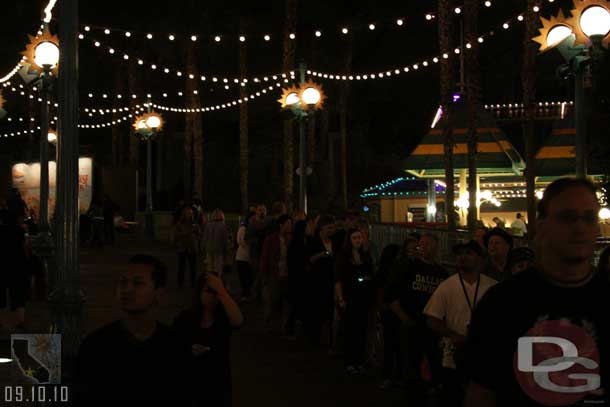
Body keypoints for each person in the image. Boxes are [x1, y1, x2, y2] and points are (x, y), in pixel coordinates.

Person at [465, 178, 610, 407]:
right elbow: (481, 392)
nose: (580, 227)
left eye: (589, 218)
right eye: (568, 217)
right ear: (541, 225)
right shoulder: (501, 303)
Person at [75, 255, 189, 406]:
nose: (127, 289)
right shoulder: (96, 345)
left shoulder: (175, 346)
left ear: (159, 294)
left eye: (138, 283)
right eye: (123, 282)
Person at [424, 240, 497, 407]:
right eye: (459, 254)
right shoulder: (446, 286)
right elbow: (431, 319)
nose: (463, 257)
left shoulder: (492, 287)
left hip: (484, 353)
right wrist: (452, 335)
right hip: (454, 354)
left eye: (469, 253)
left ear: (479, 258)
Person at [387, 234, 449, 393]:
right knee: (411, 363)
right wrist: (404, 317)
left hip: (432, 326)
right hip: (412, 323)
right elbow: (392, 294)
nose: (424, 247)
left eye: (429, 244)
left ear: (436, 247)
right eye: (422, 244)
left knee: (435, 361)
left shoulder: (441, 273)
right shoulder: (407, 267)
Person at [173, 273, 243, 407]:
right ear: (199, 292)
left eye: (215, 292)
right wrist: (189, 349)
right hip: (191, 383)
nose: (212, 296)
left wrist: (221, 291)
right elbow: (172, 345)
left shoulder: (222, 319)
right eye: (208, 291)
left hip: (217, 385)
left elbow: (238, 321)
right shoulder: (186, 318)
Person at [335, 228, 375, 375]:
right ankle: (350, 361)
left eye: (359, 238)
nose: (358, 240)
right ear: (349, 240)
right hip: (350, 296)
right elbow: (339, 279)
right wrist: (341, 298)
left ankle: (359, 360)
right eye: (355, 238)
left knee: (361, 330)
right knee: (350, 330)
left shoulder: (365, 256)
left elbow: (370, 274)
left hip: (363, 297)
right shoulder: (344, 257)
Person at [305, 215, 337, 347]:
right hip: (318, 280)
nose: (331, 230)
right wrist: (321, 255)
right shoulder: (314, 242)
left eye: (333, 228)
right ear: (321, 229)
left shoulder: (335, 241)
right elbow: (309, 260)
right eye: (329, 228)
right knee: (317, 310)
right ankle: (315, 338)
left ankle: (330, 339)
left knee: (330, 310)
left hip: (331, 279)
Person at [260, 214, 293, 334]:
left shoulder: (291, 238)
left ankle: (283, 326)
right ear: (281, 225)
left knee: (286, 302)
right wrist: (264, 277)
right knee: (273, 301)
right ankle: (268, 324)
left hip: (287, 274)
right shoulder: (271, 239)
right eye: (288, 223)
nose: (290, 226)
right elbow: (265, 257)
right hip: (274, 274)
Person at [376, 243, 402, 389]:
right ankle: (393, 375)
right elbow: (380, 291)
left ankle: (390, 375)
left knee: (391, 345)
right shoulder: (391, 271)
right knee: (393, 344)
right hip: (389, 310)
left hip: (389, 309)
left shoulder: (388, 270)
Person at [174, 206, 201, 288]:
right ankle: (180, 283)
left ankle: (193, 283)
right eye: (187, 213)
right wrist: (183, 234)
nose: (189, 215)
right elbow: (175, 235)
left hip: (192, 247)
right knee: (181, 267)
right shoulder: (179, 224)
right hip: (182, 247)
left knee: (193, 267)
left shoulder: (195, 224)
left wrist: (196, 234)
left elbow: (199, 235)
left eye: (190, 213)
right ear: (184, 214)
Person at [202, 209, 229, 277]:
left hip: (209, 250)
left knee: (210, 270)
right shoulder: (223, 226)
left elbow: (205, 238)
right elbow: (225, 241)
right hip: (219, 250)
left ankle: (211, 284)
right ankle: (217, 285)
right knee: (217, 270)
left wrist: (203, 249)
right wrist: (226, 252)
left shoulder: (208, 225)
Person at [236, 212, 255, 302]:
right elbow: (240, 241)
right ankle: (245, 295)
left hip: (248, 257)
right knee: (244, 277)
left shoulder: (253, 229)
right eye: (252, 219)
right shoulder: (243, 228)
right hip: (242, 257)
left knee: (249, 277)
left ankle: (247, 294)